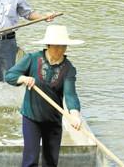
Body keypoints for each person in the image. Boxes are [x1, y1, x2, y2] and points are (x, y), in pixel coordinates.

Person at [5, 25, 84, 167]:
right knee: (31, 160)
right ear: (48, 45)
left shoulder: (68, 69)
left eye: (63, 46)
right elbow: (10, 76)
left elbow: (70, 95)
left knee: (51, 162)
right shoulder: (32, 59)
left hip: (53, 120)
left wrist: (75, 115)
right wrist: (23, 79)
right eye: (56, 46)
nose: (60, 50)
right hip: (31, 117)